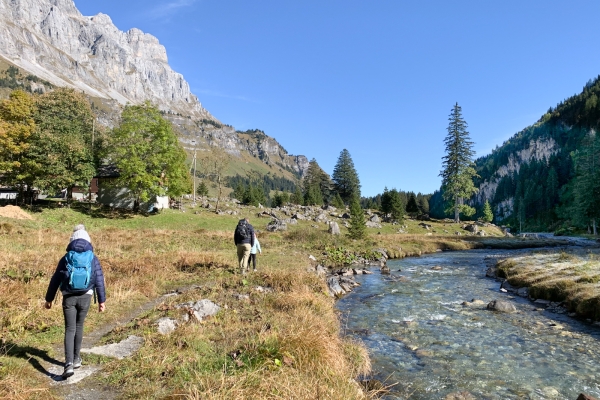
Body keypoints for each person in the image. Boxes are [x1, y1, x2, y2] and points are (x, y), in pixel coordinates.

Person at [44, 224, 106, 379]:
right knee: (79, 326)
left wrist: (49, 299)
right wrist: (102, 301)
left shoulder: (66, 258)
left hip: (68, 297)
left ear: (72, 240)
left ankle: (69, 364)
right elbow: (99, 279)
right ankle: (77, 359)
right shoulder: (93, 258)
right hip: (86, 296)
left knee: (70, 329)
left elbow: (55, 279)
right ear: (88, 240)